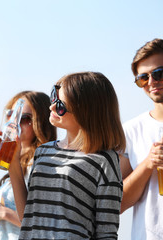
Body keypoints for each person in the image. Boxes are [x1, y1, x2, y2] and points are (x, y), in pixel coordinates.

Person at [9, 72, 125, 239]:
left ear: (86, 111)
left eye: (61, 105)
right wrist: (13, 164)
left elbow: (107, 233)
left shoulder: (105, 160)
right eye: (53, 97)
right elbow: (27, 217)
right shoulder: (43, 152)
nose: (52, 107)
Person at [0, 91, 57, 240]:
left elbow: (47, 222)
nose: (15, 122)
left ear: (41, 122)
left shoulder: (43, 165)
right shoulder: (17, 165)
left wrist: (2, 212)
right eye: (11, 114)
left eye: (23, 118)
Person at [120, 38, 163, 239]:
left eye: (159, 73)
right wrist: (147, 164)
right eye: (143, 78)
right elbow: (117, 203)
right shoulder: (130, 130)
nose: (152, 82)